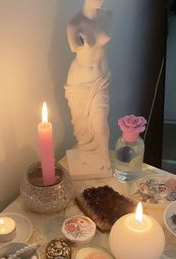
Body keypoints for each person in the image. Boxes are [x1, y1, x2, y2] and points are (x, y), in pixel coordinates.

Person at [65, 0, 112, 176]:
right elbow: (74, 47)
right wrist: (81, 44)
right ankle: (87, 154)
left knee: (100, 122)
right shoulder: (74, 24)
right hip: (81, 83)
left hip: (101, 79)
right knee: (84, 127)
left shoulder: (107, 16)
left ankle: (102, 157)